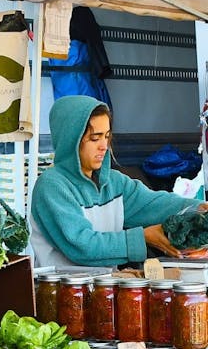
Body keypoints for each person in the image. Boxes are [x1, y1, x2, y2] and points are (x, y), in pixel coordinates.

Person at [30, 95, 207, 268]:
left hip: (106, 291)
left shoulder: (114, 183)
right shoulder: (52, 187)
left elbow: (155, 204)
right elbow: (82, 245)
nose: (104, 146)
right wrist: (142, 237)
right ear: (70, 141)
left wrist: (200, 208)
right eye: (95, 138)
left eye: (106, 136)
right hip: (59, 294)